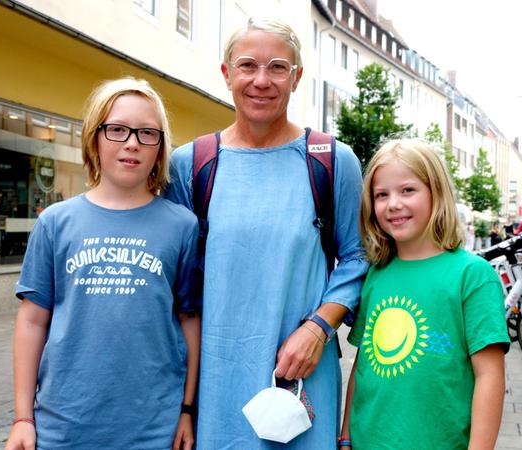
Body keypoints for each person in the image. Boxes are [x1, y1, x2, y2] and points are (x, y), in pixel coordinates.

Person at [164, 18, 368, 450]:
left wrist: (318, 328)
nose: (261, 80)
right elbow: (178, 278)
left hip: (300, 373)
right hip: (215, 378)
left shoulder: (331, 160)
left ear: (296, 78)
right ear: (226, 74)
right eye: (247, 66)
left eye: (277, 67)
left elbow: (357, 256)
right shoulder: (193, 163)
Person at [5, 77, 201, 450]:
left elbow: (189, 319)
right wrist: (22, 418)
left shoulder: (181, 225)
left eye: (147, 133)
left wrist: (187, 410)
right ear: (94, 137)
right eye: (117, 129)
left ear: (160, 148)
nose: (132, 143)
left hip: (153, 426)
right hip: (65, 424)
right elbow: (32, 321)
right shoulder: (55, 222)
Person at [339, 139, 510, 449]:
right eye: (381, 195)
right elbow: (362, 362)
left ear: (436, 192)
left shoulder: (472, 275)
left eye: (407, 190)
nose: (393, 204)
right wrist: (346, 435)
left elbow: (489, 376)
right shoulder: (377, 274)